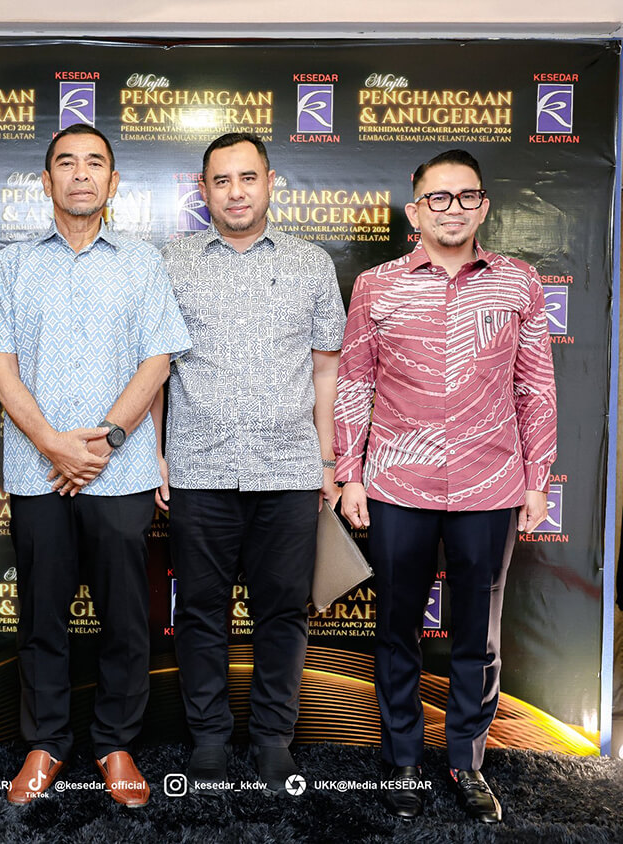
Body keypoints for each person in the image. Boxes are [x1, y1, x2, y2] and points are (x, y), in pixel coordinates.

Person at [0, 123, 190, 808]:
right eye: (66, 163)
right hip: (38, 472)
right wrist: (53, 444)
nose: (81, 174)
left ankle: (116, 743)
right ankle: (45, 742)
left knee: (126, 618)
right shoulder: (11, 265)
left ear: (113, 182)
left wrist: (106, 442)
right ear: (47, 182)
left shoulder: (143, 262)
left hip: (121, 472)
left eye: (95, 163)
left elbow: (157, 361)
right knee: (41, 616)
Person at [334, 149, 557, 824]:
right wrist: (349, 474)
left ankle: (467, 760)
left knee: (477, 636)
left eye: (466, 197)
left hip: (491, 484)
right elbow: (354, 382)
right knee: (396, 627)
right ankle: (402, 759)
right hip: (397, 483)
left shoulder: (519, 283)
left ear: (483, 207)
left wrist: (538, 481)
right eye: (438, 197)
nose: (452, 209)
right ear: (415, 210)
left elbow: (536, 387)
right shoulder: (376, 286)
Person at [156, 133, 345, 795]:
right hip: (198, 467)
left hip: (289, 468)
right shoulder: (171, 263)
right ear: (203, 190)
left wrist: (327, 460)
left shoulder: (311, 264)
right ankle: (208, 739)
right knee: (199, 611)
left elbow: (326, 371)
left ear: (270, 182)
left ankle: (272, 740)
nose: (235, 192)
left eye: (247, 178)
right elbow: (155, 369)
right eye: (221, 180)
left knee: (283, 613)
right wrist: (156, 453)